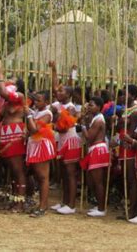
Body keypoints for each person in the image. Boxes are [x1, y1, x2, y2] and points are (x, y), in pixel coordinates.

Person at [0, 62, 27, 212]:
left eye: (11, 82)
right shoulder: (7, 102)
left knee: (18, 169)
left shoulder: (20, 96)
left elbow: (2, 91)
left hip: (15, 134)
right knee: (11, 169)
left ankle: (20, 202)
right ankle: (15, 199)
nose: (8, 83)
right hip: (6, 134)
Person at [49, 61, 81, 215]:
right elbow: (55, 86)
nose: (58, 93)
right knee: (62, 173)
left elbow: (65, 127)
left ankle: (71, 204)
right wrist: (54, 69)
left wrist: (54, 126)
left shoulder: (71, 108)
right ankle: (64, 201)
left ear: (68, 94)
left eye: (62, 92)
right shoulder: (57, 104)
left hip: (70, 140)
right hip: (61, 141)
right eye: (58, 92)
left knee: (70, 173)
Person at [25, 91, 56, 217]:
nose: (36, 103)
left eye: (39, 101)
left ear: (47, 102)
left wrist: (28, 115)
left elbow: (34, 129)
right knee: (38, 176)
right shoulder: (36, 112)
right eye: (35, 100)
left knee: (43, 178)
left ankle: (43, 206)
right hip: (34, 144)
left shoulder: (47, 114)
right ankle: (42, 204)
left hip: (41, 146)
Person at [81, 97, 110, 217]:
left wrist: (83, 126)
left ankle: (101, 208)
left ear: (99, 107)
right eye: (89, 105)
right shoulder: (95, 118)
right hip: (95, 149)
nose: (89, 107)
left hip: (97, 150)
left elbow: (89, 137)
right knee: (92, 180)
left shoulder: (98, 120)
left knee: (97, 181)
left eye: (91, 105)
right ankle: (99, 205)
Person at [115, 85, 137, 220]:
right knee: (126, 178)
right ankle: (130, 207)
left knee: (131, 179)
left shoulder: (135, 110)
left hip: (129, 147)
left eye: (126, 95)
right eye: (122, 95)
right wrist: (117, 121)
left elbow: (133, 130)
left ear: (134, 96)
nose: (123, 97)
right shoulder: (125, 110)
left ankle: (133, 210)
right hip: (123, 146)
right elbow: (120, 127)